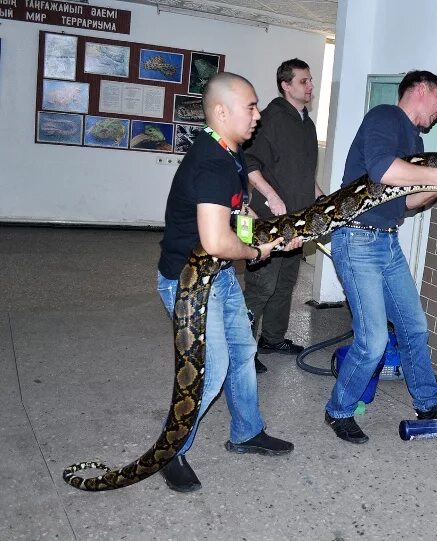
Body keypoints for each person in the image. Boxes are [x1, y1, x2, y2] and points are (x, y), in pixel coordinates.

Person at [156, 72, 294, 492]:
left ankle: (247, 431)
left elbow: (236, 216)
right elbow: (216, 241)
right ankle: (170, 452)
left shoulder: (227, 151)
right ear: (221, 112)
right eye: (250, 107)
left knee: (241, 351)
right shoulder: (214, 162)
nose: (257, 116)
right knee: (210, 369)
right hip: (189, 283)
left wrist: (263, 233)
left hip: (217, 277)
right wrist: (257, 253)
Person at [324, 70, 437, 444]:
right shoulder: (384, 117)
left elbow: (404, 201)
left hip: (387, 242)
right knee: (373, 340)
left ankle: (428, 401)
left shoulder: (413, 138)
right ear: (421, 90)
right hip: (357, 238)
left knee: (414, 327)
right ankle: (339, 410)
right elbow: (382, 169)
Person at [243, 58, 324, 373]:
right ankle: (244, 350)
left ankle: (272, 338)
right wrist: (272, 197)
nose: (310, 86)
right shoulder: (270, 118)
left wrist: (319, 194)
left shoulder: (307, 123)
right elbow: (249, 163)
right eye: (303, 81)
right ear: (285, 85)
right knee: (262, 285)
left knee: (286, 281)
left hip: (298, 221)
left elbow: (302, 171)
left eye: (310, 81)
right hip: (268, 220)